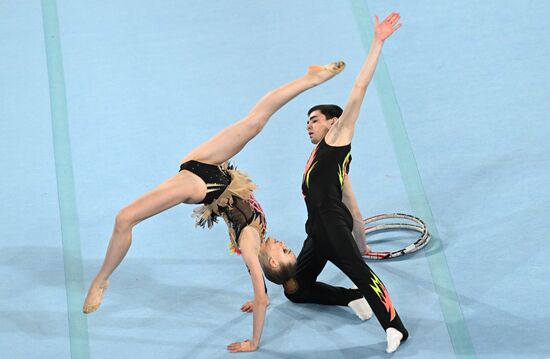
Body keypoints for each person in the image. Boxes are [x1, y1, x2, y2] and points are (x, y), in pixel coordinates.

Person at [81, 60, 345, 352]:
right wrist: (264, 287)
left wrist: (253, 342)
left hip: (202, 187)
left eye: (283, 251)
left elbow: (262, 299)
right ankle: (311, 79)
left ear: (271, 262)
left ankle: (101, 280)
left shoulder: (249, 244)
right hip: (216, 169)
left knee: (124, 219)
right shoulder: (259, 250)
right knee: (255, 122)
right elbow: (260, 283)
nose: (283, 243)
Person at [259, 12, 408, 354]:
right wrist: (358, 224)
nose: (308, 126)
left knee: (358, 270)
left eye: (314, 120)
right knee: (295, 289)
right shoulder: (322, 155)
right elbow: (346, 190)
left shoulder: (339, 137)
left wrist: (377, 42)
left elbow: (359, 87)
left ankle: (395, 326)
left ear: (333, 122)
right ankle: (352, 299)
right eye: (307, 121)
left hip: (329, 222)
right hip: (319, 228)